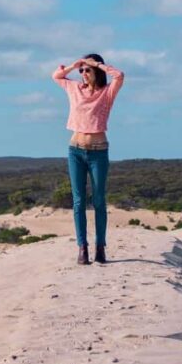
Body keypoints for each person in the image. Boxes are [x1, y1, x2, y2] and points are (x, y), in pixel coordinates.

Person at [51, 53, 125, 265]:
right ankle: (82, 248)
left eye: (87, 70)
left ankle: (100, 247)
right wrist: (74, 65)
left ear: (96, 72)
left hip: (98, 151)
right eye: (81, 71)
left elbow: (119, 76)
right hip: (75, 150)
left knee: (99, 200)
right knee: (78, 201)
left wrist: (98, 64)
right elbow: (56, 76)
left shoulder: (106, 93)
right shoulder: (74, 88)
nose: (83, 74)